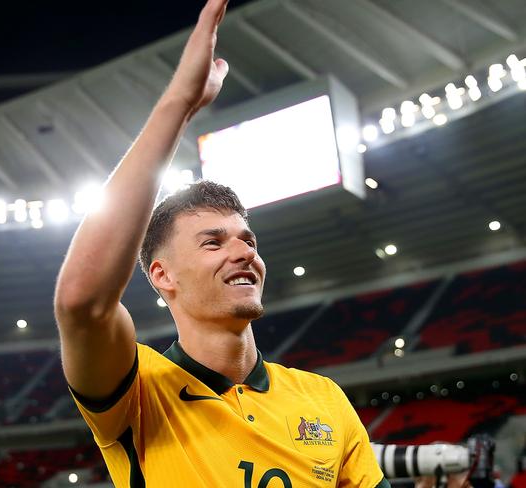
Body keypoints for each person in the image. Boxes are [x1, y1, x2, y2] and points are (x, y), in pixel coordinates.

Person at [54, 0, 388, 486]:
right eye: (213, 243)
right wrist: (179, 106)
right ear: (162, 275)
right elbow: (81, 301)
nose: (244, 252)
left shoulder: (323, 399)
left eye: (247, 239)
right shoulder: (138, 391)